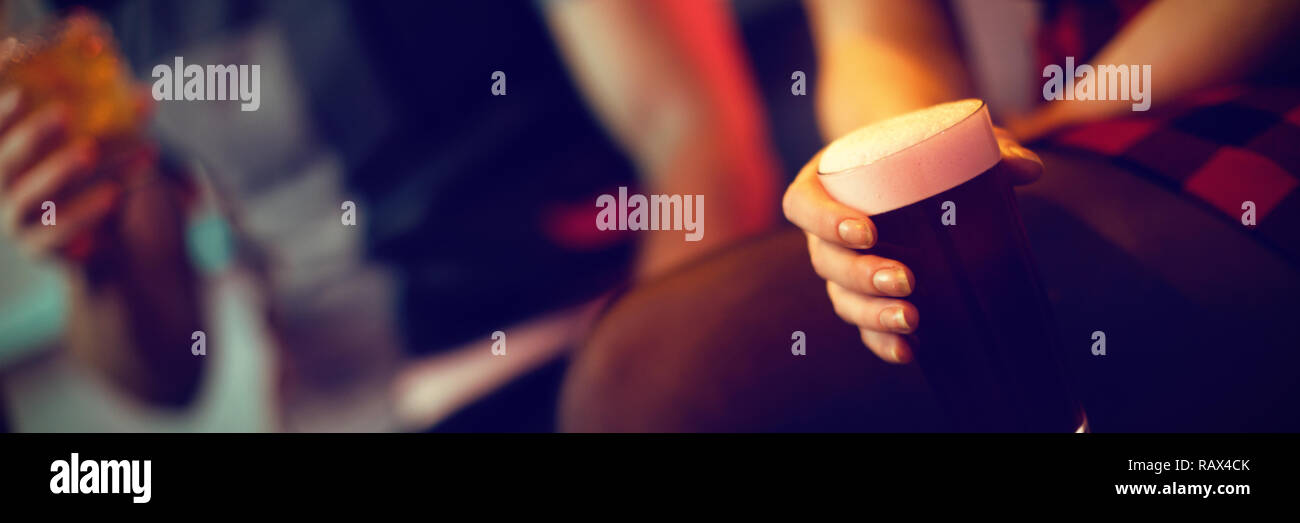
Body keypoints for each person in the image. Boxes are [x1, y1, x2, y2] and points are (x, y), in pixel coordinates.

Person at [560, 0, 1300, 431]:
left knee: (657, 381)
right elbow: (875, 39)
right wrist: (888, 170)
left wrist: (998, 140)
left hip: (1244, 107)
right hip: (1069, 136)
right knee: (641, 372)